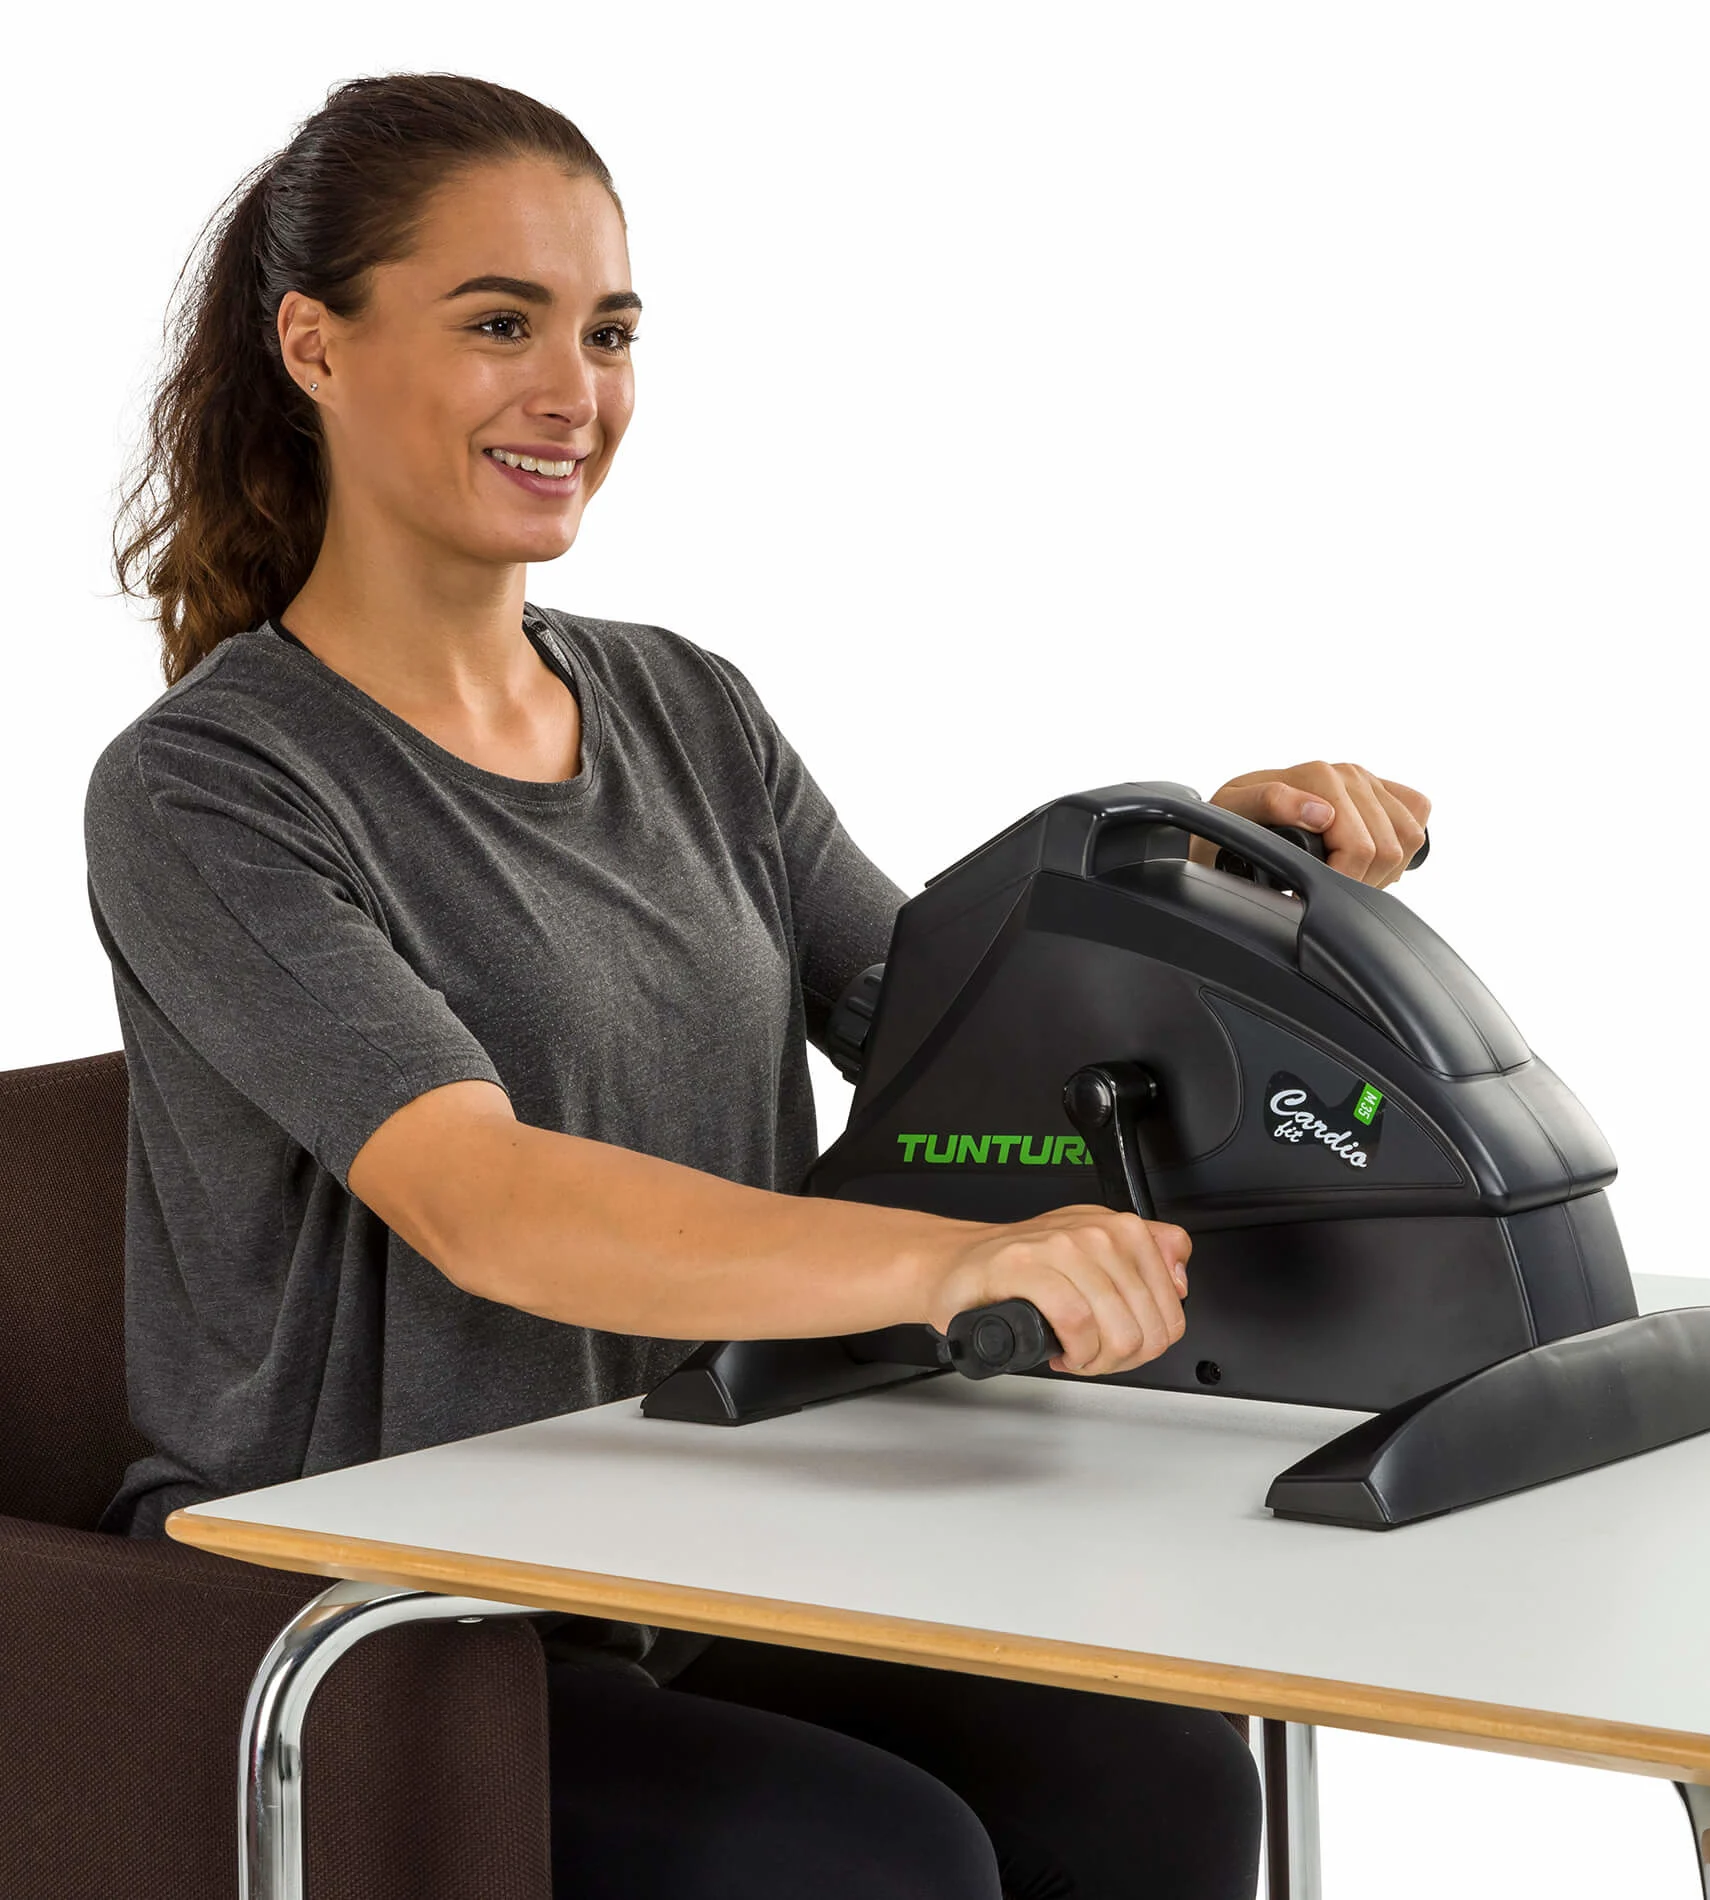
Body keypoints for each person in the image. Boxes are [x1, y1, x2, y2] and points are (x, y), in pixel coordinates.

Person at [90, 72, 1430, 1900]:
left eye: (608, 332)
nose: (574, 394)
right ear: (315, 346)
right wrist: (944, 1267)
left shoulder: (687, 713)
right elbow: (481, 1199)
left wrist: (1209, 880)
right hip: (374, 1610)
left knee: (1160, 1790)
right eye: (500, 325)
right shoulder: (212, 787)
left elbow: (955, 1041)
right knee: (871, 1863)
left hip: (691, 1550)